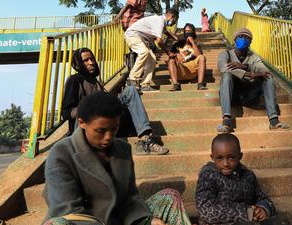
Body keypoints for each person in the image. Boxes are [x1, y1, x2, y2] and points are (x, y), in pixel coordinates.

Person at [43, 92, 192, 225]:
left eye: (114, 129)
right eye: (100, 131)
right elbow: (68, 211)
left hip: (120, 220)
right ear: (82, 123)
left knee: (169, 197)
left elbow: (130, 198)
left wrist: (149, 220)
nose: (108, 137)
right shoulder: (61, 153)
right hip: (82, 222)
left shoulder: (123, 149)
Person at [61, 48, 168, 155]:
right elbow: (66, 113)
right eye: (86, 60)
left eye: (92, 59)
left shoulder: (95, 82)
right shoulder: (74, 80)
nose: (91, 63)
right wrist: (91, 108)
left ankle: (145, 140)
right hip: (90, 128)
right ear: (78, 64)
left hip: (108, 123)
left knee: (130, 90)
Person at [217, 28, 290, 132]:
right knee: (227, 75)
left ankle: (274, 120)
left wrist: (245, 66)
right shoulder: (225, 54)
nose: (243, 39)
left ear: (250, 42)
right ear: (235, 39)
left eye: (247, 38)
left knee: (267, 77)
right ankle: (226, 121)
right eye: (240, 36)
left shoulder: (253, 57)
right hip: (231, 95)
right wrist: (249, 74)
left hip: (249, 95)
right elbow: (223, 67)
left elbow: (264, 71)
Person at [195, 133, 276, 225]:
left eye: (231, 157)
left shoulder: (248, 176)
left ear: (240, 156)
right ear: (212, 158)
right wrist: (245, 212)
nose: (226, 163)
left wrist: (263, 209)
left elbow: (262, 197)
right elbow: (205, 209)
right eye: (219, 158)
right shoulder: (208, 176)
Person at [124, 8, 179, 92]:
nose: (173, 23)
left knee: (152, 59)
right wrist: (168, 52)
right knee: (144, 52)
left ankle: (145, 85)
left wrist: (174, 37)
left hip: (140, 38)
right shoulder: (160, 20)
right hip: (132, 35)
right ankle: (132, 79)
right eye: (175, 20)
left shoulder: (160, 21)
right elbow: (159, 41)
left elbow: (165, 31)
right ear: (172, 16)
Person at [168, 23, 208, 91]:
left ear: (193, 32)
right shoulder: (177, 44)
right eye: (186, 31)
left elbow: (199, 56)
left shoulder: (197, 44)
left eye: (189, 31)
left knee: (202, 57)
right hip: (181, 70)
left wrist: (192, 42)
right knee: (171, 61)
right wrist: (176, 55)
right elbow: (170, 57)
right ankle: (175, 85)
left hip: (193, 70)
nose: (187, 33)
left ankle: (200, 84)